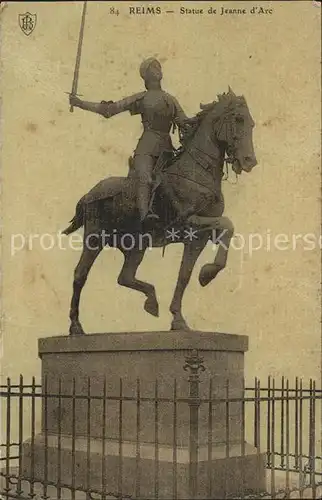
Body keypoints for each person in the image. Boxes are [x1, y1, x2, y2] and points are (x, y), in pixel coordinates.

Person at [69, 57, 192, 223]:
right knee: (145, 179)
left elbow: (184, 123)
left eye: (158, 66)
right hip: (146, 150)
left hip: (167, 151)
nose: (157, 69)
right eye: (153, 68)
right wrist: (80, 103)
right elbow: (109, 110)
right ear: (146, 76)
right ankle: (145, 217)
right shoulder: (140, 98)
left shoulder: (171, 100)